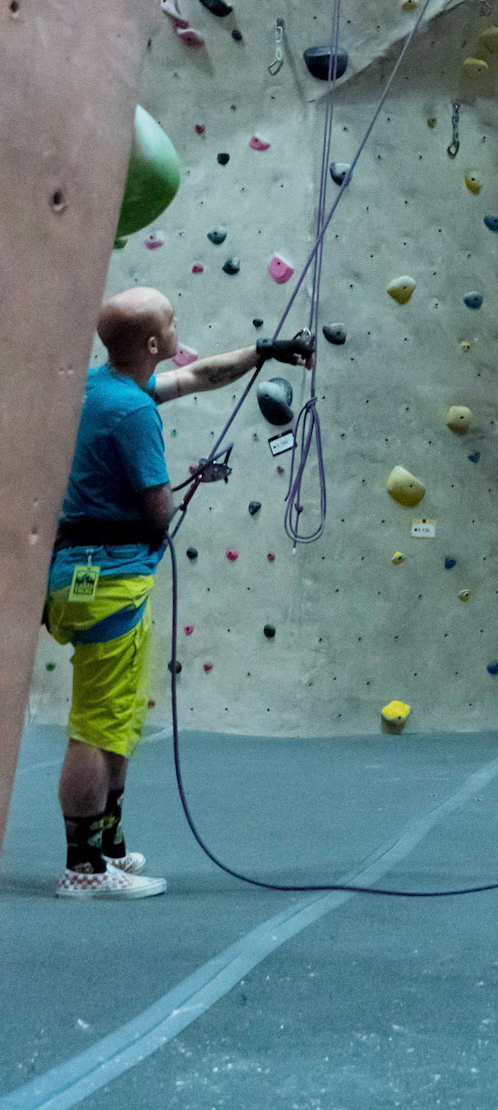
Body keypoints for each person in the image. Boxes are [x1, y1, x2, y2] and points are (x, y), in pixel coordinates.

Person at [44, 287, 312, 900]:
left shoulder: (100, 386)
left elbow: (197, 376)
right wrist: (186, 485)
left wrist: (264, 352)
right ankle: (83, 868)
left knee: (115, 717)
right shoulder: (134, 412)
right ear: (151, 342)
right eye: (169, 320)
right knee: (95, 724)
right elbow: (158, 511)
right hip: (107, 579)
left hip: (86, 574)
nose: (176, 325)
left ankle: (108, 847)